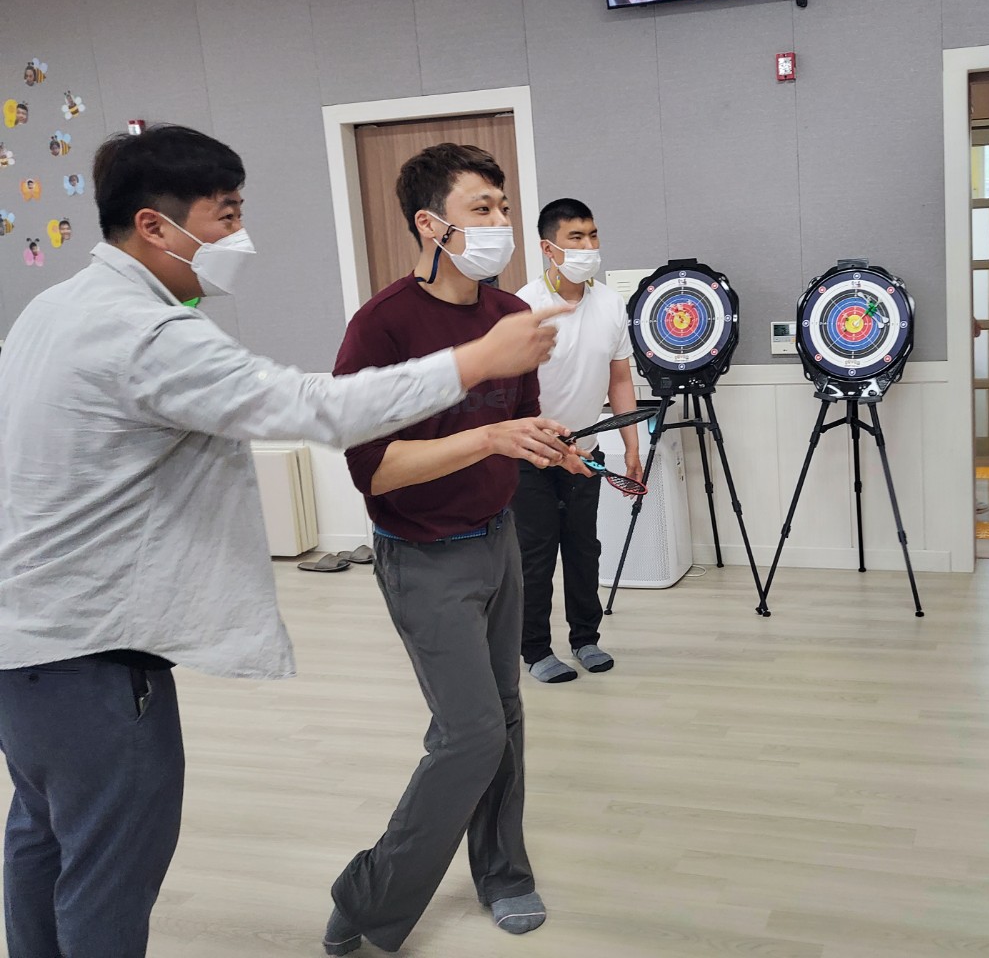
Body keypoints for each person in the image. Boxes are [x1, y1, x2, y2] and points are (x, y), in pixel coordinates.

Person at [0, 124, 566, 958]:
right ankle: (370, 898)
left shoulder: (54, 308)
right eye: (227, 216)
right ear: (154, 225)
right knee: (104, 870)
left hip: (32, 647)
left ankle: (500, 870)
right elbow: (318, 410)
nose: (242, 237)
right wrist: (474, 363)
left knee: (44, 838)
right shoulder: (149, 333)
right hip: (92, 657)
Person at [324, 144, 591, 955]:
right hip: (423, 556)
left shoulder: (510, 314)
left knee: (504, 716)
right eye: (482, 209)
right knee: (470, 733)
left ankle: (503, 872)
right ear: (430, 224)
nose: (501, 222)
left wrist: (545, 443)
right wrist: (489, 440)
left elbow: (516, 416)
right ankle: (370, 893)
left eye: (504, 207)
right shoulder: (381, 327)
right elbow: (375, 470)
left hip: (498, 539)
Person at [513, 199, 642, 684]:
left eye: (593, 235)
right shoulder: (524, 306)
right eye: (576, 238)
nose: (589, 246)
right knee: (536, 555)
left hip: (587, 449)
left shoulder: (610, 303)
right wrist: (554, 448)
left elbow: (620, 379)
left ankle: (586, 639)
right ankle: (534, 650)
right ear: (548, 248)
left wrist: (632, 445)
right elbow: (512, 394)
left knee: (584, 550)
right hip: (532, 452)